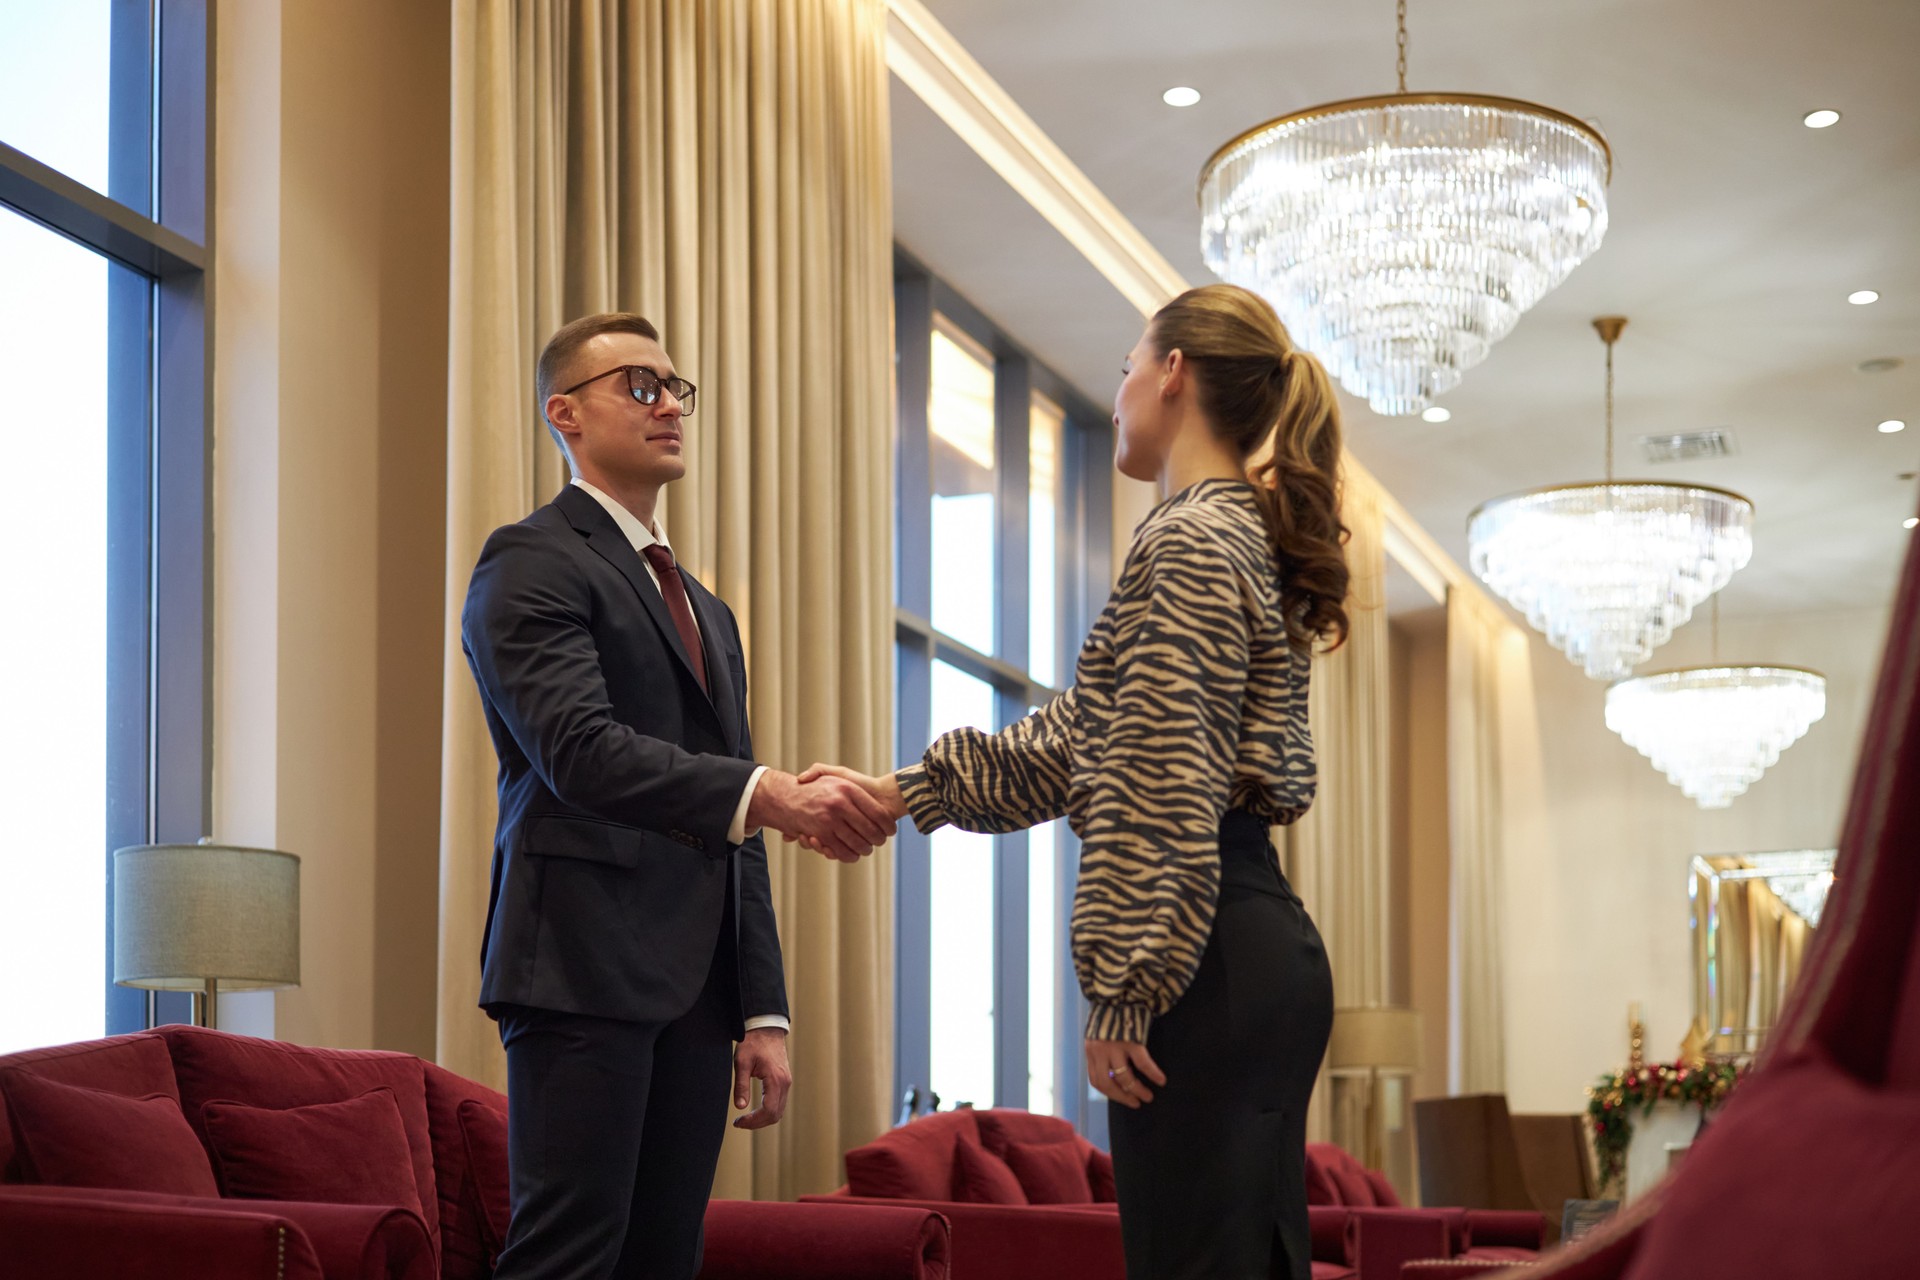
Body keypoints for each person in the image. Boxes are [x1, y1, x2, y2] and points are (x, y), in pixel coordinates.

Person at [804, 284, 1349, 1279]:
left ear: (1174, 372)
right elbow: (1077, 741)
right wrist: (901, 789)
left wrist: (1124, 989)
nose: (1120, 390)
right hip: (1245, 939)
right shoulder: (1236, 537)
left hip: (1202, 953)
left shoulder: (1187, 539)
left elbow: (1162, 776)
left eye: (1127, 365)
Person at [460, 312, 896, 1280]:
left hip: (698, 991)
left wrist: (764, 1009)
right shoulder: (529, 560)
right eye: (638, 385)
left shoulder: (708, 609)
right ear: (563, 413)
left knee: (667, 1258)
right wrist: (771, 793)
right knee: (567, 1257)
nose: (669, 405)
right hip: (578, 966)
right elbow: (581, 752)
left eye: (675, 386)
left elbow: (732, 812)